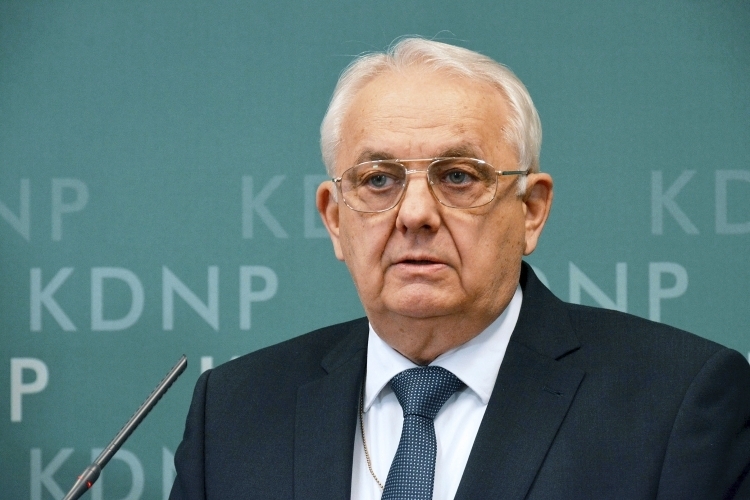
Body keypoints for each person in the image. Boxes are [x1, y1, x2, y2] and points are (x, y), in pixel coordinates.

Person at [169, 38, 750, 500]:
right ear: (335, 219)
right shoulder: (235, 412)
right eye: (378, 180)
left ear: (531, 210)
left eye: (457, 177)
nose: (415, 214)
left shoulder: (677, 403)